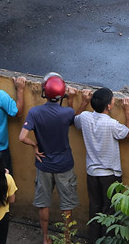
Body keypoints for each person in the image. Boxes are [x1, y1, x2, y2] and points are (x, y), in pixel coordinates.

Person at [19, 72, 78, 244]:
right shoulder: (66, 112)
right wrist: (72, 98)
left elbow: (22, 137)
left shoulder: (35, 112)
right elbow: (73, 116)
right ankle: (66, 238)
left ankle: (45, 238)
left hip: (43, 164)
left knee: (43, 204)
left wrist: (34, 146)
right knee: (66, 206)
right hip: (65, 165)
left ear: (45, 91)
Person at [74, 87, 129, 242]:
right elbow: (127, 133)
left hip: (92, 173)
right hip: (110, 175)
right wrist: (128, 111)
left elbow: (75, 119)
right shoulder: (111, 124)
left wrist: (83, 102)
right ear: (109, 106)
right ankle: (108, 240)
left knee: (95, 208)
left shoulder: (85, 117)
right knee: (110, 210)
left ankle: (93, 239)